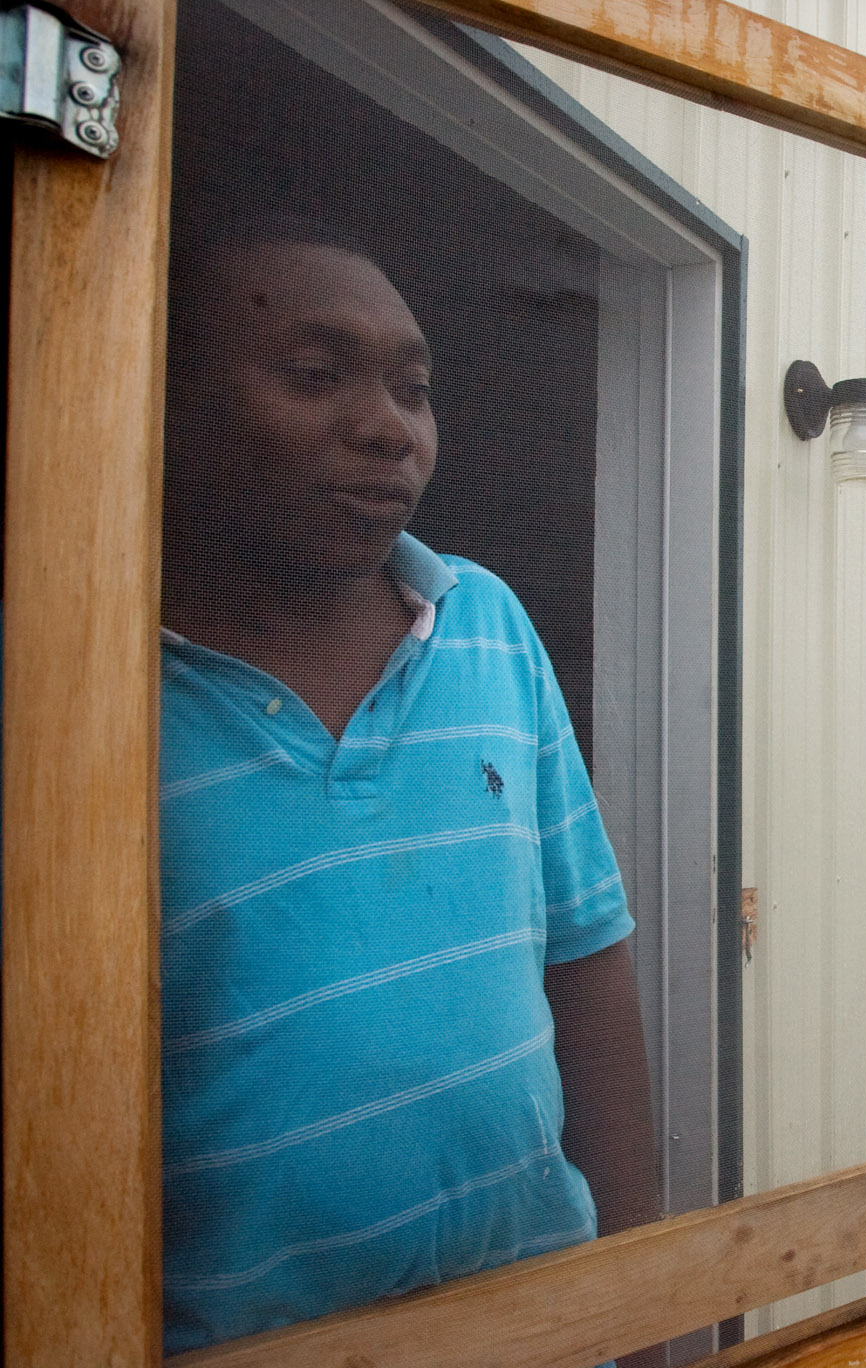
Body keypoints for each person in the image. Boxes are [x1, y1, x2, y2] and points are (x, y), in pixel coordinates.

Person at [157, 217, 662, 1355]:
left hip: (534, 1322)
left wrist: (639, 1294)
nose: (389, 428)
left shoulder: (483, 622)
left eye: (414, 388)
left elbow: (584, 958)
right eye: (314, 374)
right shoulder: (72, 678)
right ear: (168, 393)